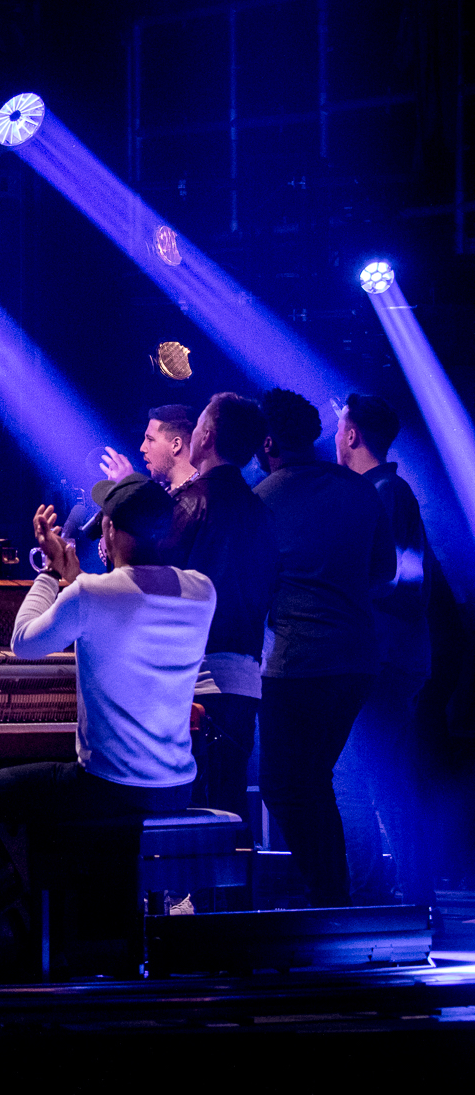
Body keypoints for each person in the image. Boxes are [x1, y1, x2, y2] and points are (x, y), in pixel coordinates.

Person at [0, 478, 214, 968]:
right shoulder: (201, 590)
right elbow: (122, 606)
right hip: (176, 787)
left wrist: (51, 573)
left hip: (107, 789)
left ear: (108, 530)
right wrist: (76, 579)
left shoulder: (91, 594)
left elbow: (23, 643)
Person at [253, 388, 393, 907]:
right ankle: (333, 900)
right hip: (357, 662)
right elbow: (384, 573)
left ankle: (331, 898)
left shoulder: (262, 498)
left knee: (283, 785)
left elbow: (254, 585)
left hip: (297, 663)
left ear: (267, 441)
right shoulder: (360, 490)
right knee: (314, 780)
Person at [332, 392, 433, 905]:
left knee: (357, 773)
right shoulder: (385, 491)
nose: (334, 436)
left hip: (385, 657)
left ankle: (377, 895)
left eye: (339, 428)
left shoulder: (385, 492)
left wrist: (342, 584)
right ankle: (405, 894)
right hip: (388, 656)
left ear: (351, 435)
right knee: (377, 775)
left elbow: (400, 574)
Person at [169, 393, 280, 821]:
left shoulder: (189, 502)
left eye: (197, 424)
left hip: (195, 675)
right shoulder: (261, 511)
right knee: (230, 805)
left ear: (207, 436)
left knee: (190, 806)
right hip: (245, 677)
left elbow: (155, 580)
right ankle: (238, 869)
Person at [98, 404, 200, 494]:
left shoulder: (199, 496)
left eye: (150, 439)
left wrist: (127, 487)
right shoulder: (162, 491)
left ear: (176, 445)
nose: (142, 448)